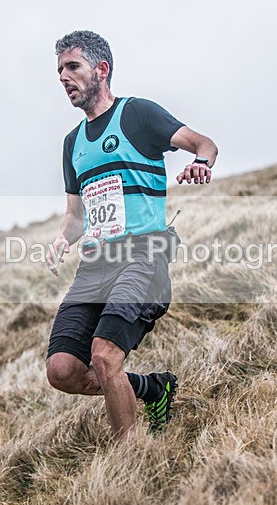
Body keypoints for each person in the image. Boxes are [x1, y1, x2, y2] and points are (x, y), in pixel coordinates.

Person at [45, 30, 218, 440]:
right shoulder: (72, 144)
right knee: (62, 370)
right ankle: (153, 389)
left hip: (143, 257)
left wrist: (201, 162)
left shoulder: (137, 114)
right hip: (95, 268)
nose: (64, 77)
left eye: (73, 67)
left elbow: (203, 143)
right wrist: (62, 239)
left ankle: (132, 459)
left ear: (101, 69)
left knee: (105, 357)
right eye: (59, 70)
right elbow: (75, 215)